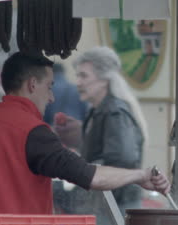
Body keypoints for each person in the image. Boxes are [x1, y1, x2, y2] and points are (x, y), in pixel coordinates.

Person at [0, 51, 170, 214]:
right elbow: (90, 176)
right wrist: (141, 175)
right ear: (32, 84)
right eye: (50, 86)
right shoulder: (33, 131)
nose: (52, 97)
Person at [55, 46, 149, 213]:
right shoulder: (97, 111)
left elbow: (122, 160)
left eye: (84, 75)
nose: (78, 82)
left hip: (116, 207)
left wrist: (88, 173)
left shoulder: (114, 112)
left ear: (104, 79)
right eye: (77, 75)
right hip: (104, 205)